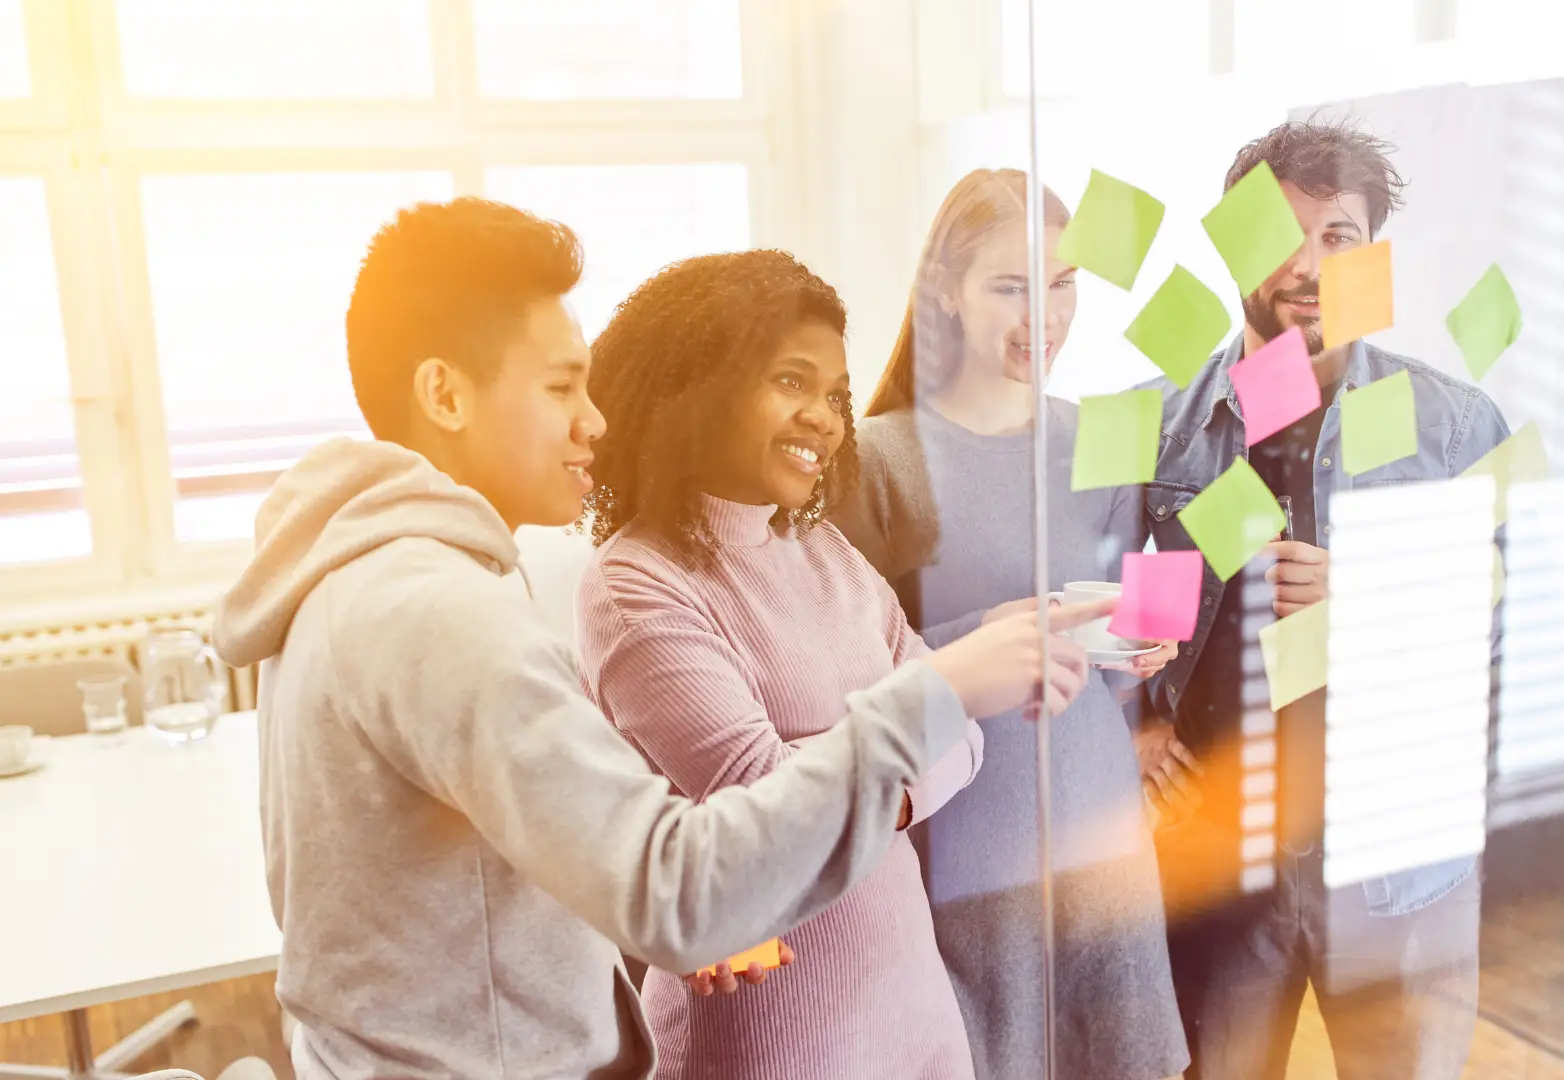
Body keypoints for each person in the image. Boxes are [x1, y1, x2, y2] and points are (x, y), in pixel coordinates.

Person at [212, 198, 1091, 1080]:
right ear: (444, 393)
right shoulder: (441, 613)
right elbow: (694, 878)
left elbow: (489, 884)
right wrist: (933, 699)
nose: (592, 420)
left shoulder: (362, 573)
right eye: (560, 387)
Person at [572, 248, 1107, 1080]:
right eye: (791, 381)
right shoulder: (634, 582)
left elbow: (960, 744)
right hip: (766, 1038)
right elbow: (761, 808)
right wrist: (902, 739)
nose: (824, 417)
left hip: (912, 1008)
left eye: (834, 395)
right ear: (694, 384)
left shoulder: (824, 551)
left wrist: (853, 774)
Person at [1137, 121, 1510, 1079]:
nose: (1305, 265)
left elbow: (1514, 642)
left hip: (1396, 874)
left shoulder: (1454, 427)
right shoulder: (1163, 428)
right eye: (1274, 236)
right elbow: (1133, 594)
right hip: (1220, 865)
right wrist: (1135, 720)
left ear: (1370, 255)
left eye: (1336, 237)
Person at [832, 168, 1190, 1080]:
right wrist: (981, 640)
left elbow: (1121, 635)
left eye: (1063, 284)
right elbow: (838, 684)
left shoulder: (1108, 436)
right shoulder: (876, 460)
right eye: (1012, 286)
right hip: (962, 843)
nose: (1047, 314)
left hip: (1099, 829)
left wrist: (1148, 656)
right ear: (946, 292)